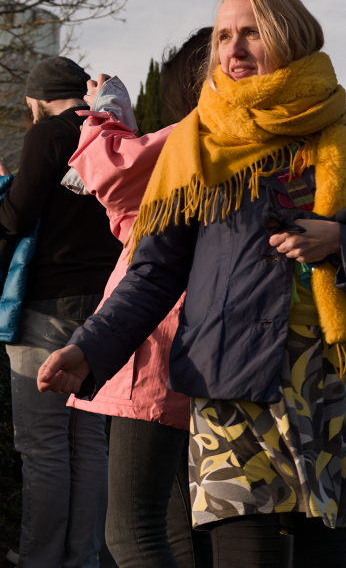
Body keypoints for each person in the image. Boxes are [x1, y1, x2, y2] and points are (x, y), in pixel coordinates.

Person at [37, 0, 346, 567]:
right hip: (228, 387)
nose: (234, 48)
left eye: (252, 32)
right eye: (224, 35)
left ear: (291, 38)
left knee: (326, 558)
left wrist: (344, 243)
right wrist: (90, 346)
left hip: (328, 383)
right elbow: (154, 271)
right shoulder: (195, 144)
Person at [65, 29, 214, 568]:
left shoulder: (197, 134)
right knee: (183, 526)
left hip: (155, 340)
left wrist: (104, 111)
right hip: (190, 341)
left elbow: (109, 171)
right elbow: (133, 216)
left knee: (131, 531)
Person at [0, 56, 122, 568]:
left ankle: (42, 560)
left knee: (44, 444)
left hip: (47, 303)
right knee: (88, 440)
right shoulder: (109, 129)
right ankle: (84, 558)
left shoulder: (50, 133)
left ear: (37, 98)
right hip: (104, 306)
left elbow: (16, 215)